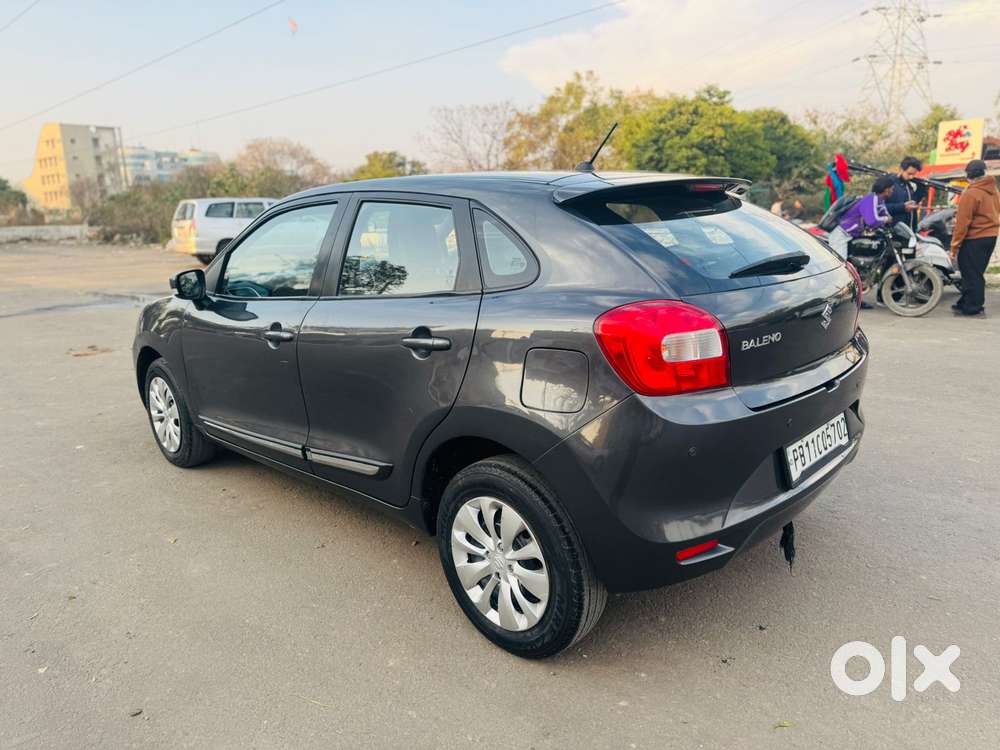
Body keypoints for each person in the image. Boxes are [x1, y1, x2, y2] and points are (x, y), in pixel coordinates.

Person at [950, 159, 999, 317]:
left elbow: (962, 223)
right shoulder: (994, 190)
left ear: (968, 176)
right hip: (991, 236)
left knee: (971, 273)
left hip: (975, 238)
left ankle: (974, 308)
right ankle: (965, 302)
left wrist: (954, 246)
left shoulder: (971, 193)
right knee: (975, 271)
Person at [827, 175, 895, 260]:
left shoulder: (880, 200)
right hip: (842, 235)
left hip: (852, 236)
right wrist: (886, 219)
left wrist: (887, 219)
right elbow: (872, 221)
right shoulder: (871, 199)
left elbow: (885, 214)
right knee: (840, 266)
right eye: (892, 189)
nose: (893, 191)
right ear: (887, 190)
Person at [885, 156, 928, 230]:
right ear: (901, 169)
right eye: (909, 174)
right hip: (892, 232)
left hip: (909, 232)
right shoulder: (887, 183)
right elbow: (878, 207)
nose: (911, 177)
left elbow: (914, 202)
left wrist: (921, 188)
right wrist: (902, 207)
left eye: (913, 174)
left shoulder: (908, 185)